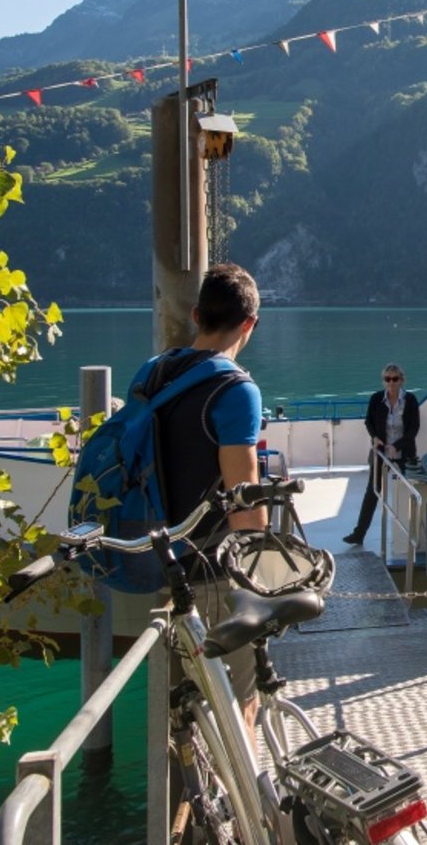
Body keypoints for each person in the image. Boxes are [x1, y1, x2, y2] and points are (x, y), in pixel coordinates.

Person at [127, 263, 267, 717]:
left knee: (184, 710)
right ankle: (244, 788)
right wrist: (260, 578)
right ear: (249, 324)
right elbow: (244, 501)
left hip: (159, 559)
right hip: (212, 569)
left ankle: (189, 788)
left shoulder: (151, 374)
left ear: (195, 315)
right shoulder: (235, 389)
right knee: (237, 702)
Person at [344, 363, 420, 547]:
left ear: (402, 380)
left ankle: (414, 535)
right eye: (387, 379)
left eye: (395, 379)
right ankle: (359, 533)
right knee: (372, 492)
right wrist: (375, 438)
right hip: (381, 454)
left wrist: (397, 445)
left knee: (409, 492)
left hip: (404, 454)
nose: (391, 383)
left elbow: (413, 428)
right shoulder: (377, 399)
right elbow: (368, 422)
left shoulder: (410, 400)